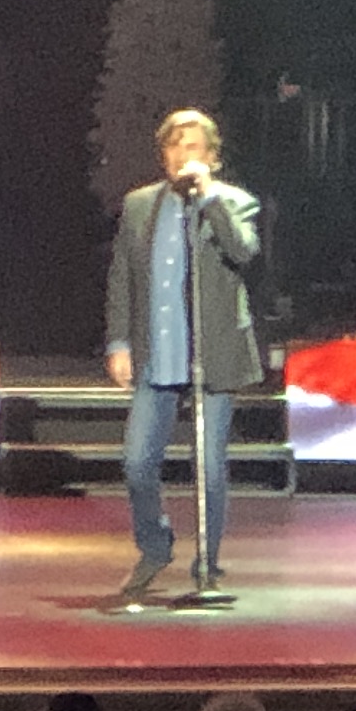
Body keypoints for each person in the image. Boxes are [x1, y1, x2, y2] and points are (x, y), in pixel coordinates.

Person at [104, 107, 266, 603]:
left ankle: (207, 564)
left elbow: (243, 252)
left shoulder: (235, 202)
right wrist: (119, 343)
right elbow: (122, 277)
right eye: (174, 146)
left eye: (192, 147)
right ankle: (155, 547)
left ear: (212, 157)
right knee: (137, 463)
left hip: (211, 354)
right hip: (157, 352)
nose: (181, 155)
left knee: (209, 467)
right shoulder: (139, 205)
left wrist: (209, 197)